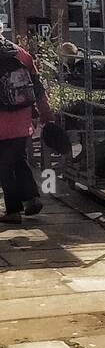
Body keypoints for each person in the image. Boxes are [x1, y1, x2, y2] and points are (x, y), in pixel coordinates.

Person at [0, 27, 54, 225]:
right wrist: (46, 112)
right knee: (19, 158)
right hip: (21, 118)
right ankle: (32, 198)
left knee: (4, 166)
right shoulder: (22, 54)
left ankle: (13, 211)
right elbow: (38, 87)